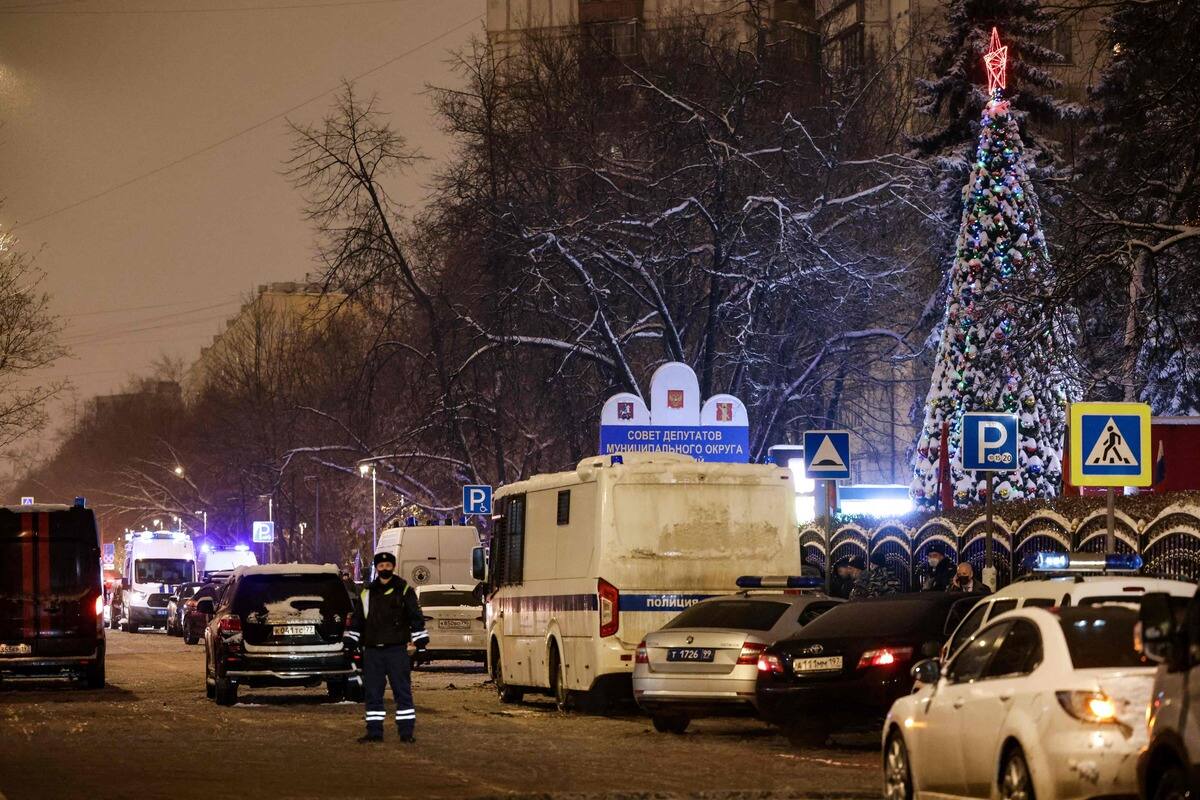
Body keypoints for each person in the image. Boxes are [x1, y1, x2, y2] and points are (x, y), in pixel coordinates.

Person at [346, 552, 429, 744]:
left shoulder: (404, 589)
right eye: (381, 565)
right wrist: (350, 642)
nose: (384, 568)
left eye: (387, 565)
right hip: (373, 650)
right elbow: (358, 620)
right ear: (376, 568)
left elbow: (415, 617)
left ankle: (406, 733)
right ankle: (374, 732)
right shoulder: (367, 593)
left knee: (402, 692)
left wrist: (421, 644)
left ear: (393, 566)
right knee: (373, 693)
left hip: (396, 650)